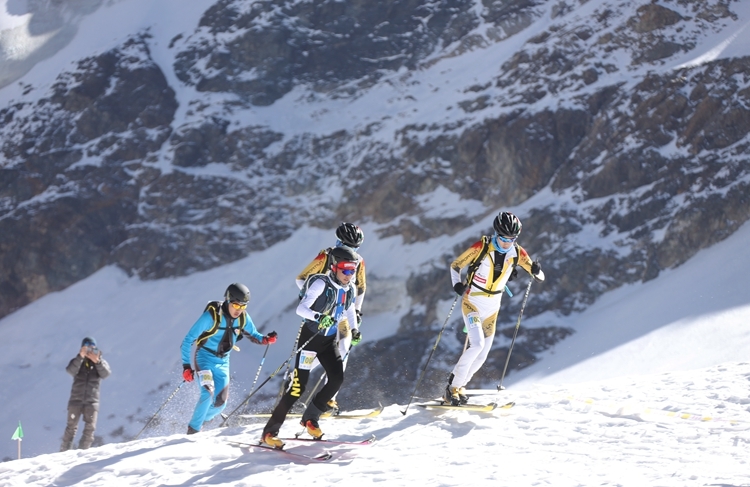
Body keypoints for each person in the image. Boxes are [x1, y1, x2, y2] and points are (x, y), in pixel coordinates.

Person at [261, 246, 360, 448]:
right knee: (298, 388)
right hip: (311, 340)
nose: (349, 274)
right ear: (334, 267)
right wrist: (319, 316)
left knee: (337, 379)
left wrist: (355, 329)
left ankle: (310, 418)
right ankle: (269, 432)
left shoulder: (350, 288)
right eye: (345, 269)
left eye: (353, 270)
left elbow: (349, 309)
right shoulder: (320, 283)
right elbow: (301, 309)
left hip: (329, 341)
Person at [445, 211, 545, 405]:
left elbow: (539, 277)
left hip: (492, 308)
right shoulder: (482, 246)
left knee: (483, 355)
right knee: (477, 345)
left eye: (511, 239)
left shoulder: (518, 253)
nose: (507, 243)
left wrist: (536, 270)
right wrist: (456, 284)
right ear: (496, 234)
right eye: (503, 238)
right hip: (472, 302)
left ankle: (461, 385)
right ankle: (452, 387)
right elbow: (456, 265)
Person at [181, 282, 277, 434]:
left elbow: (254, 335)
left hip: (223, 362)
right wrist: (186, 366)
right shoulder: (211, 316)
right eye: (236, 305)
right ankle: (193, 431)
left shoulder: (243, 318)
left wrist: (266, 339)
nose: (239, 310)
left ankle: (202, 421)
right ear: (227, 300)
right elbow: (188, 340)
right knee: (208, 392)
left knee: (221, 403)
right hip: (204, 359)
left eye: (243, 306)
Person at [295, 222, 366, 410]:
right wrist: (314, 299)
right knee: (314, 350)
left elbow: (360, 287)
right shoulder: (326, 256)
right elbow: (301, 278)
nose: (352, 251)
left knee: (343, 347)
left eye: (356, 247)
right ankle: (293, 383)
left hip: (342, 312)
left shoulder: (358, 261)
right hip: (321, 312)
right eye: (348, 245)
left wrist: (356, 310)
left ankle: (329, 398)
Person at [60, 337, 111, 451]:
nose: (90, 349)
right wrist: (80, 357)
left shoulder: (100, 361)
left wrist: (97, 361)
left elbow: (106, 374)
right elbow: (70, 370)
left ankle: (82, 453)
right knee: (71, 428)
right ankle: (63, 453)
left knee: (90, 429)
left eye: (92, 346)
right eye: (87, 346)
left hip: (92, 402)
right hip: (75, 400)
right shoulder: (78, 360)